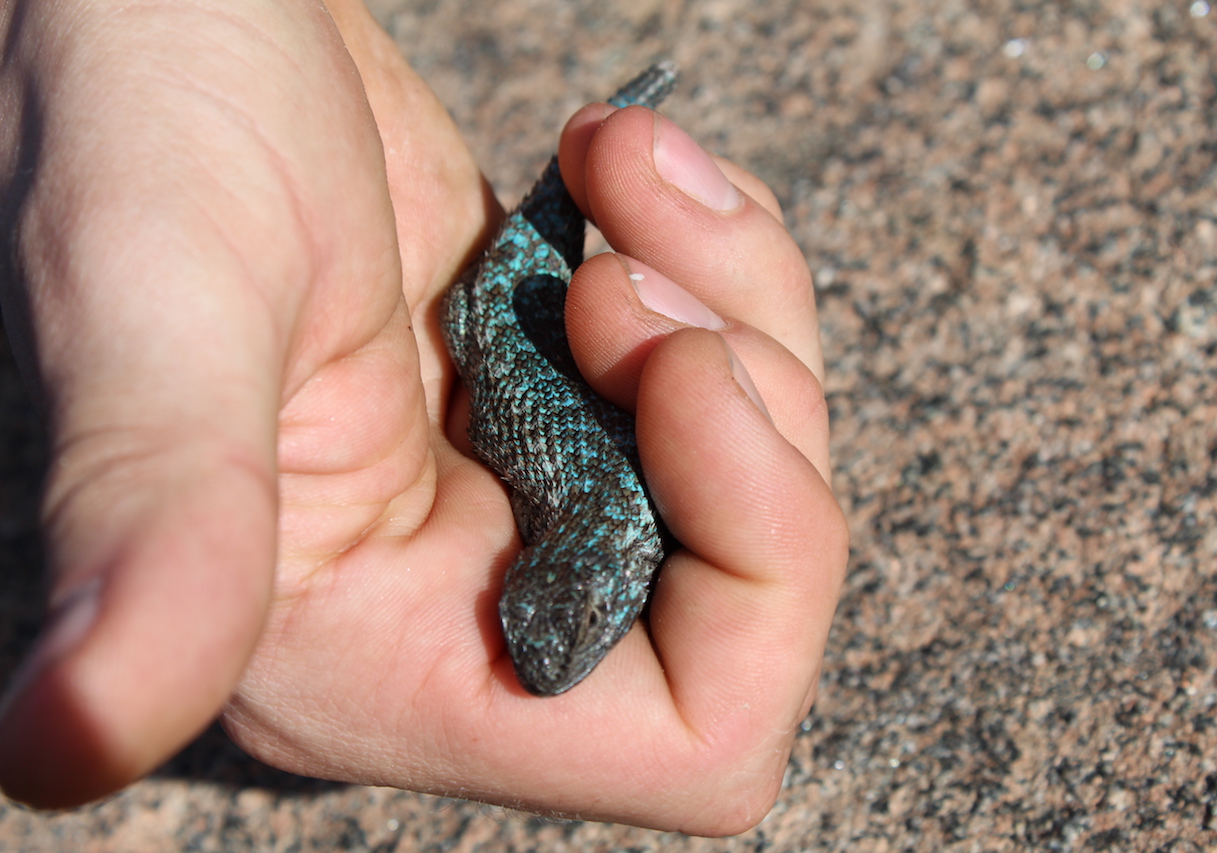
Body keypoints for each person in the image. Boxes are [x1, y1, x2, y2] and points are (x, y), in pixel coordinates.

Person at [0, 0, 847, 836]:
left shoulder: (623, 529)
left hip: (509, 323)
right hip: (502, 323)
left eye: (575, 625)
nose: (542, 666)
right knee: (666, 357)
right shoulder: (626, 526)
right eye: (537, 625)